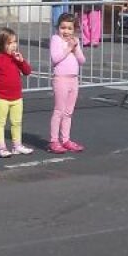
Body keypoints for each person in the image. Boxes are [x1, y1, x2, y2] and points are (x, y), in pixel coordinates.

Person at [0, 26, 33, 157]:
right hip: (2, 97)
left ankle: (17, 145)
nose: (13, 45)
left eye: (15, 42)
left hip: (17, 97)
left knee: (17, 122)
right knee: (1, 122)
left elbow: (27, 71)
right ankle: (1, 147)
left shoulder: (16, 58)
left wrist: (22, 61)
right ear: (1, 44)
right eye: (9, 43)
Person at [49, 12, 85, 153]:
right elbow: (55, 58)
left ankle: (66, 139)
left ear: (74, 29)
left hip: (73, 79)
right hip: (61, 79)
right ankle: (54, 140)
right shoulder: (56, 40)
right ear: (58, 28)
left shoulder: (75, 41)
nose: (66, 31)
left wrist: (75, 49)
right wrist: (68, 48)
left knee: (69, 112)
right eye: (63, 28)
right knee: (59, 110)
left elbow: (82, 61)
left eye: (69, 28)